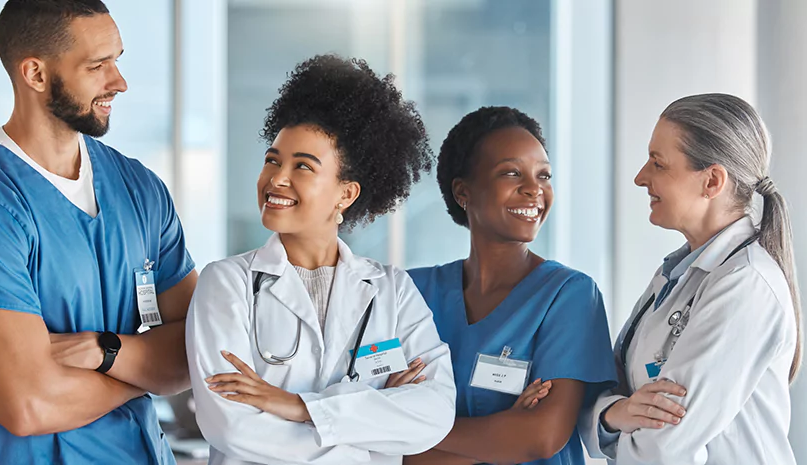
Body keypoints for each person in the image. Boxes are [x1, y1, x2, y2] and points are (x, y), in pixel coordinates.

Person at [0, 1, 197, 463]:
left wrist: (101, 351)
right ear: (35, 73)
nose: (119, 82)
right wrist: (142, 371)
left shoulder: (140, 190)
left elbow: (193, 353)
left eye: (118, 60)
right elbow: (29, 405)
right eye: (97, 66)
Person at [185, 54, 456, 465]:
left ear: (345, 194)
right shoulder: (226, 283)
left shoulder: (391, 290)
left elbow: (434, 414)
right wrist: (369, 424)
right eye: (273, 160)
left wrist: (297, 407)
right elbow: (231, 427)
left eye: (303, 167)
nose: (277, 178)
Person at [579, 93, 801, 464]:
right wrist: (611, 415)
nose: (640, 177)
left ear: (712, 180)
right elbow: (609, 392)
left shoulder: (746, 285)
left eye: (658, 164)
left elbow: (663, 449)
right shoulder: (677, 276)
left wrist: (612, 427)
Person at [407, 106, 617, 464]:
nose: (534, 189)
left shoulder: (569, 295)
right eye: (511, 173)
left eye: (544, 175)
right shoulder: (412, 292)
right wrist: (505, 429)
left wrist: (411, 429)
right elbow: (381, 447)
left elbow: (541, 436)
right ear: (463, 192)